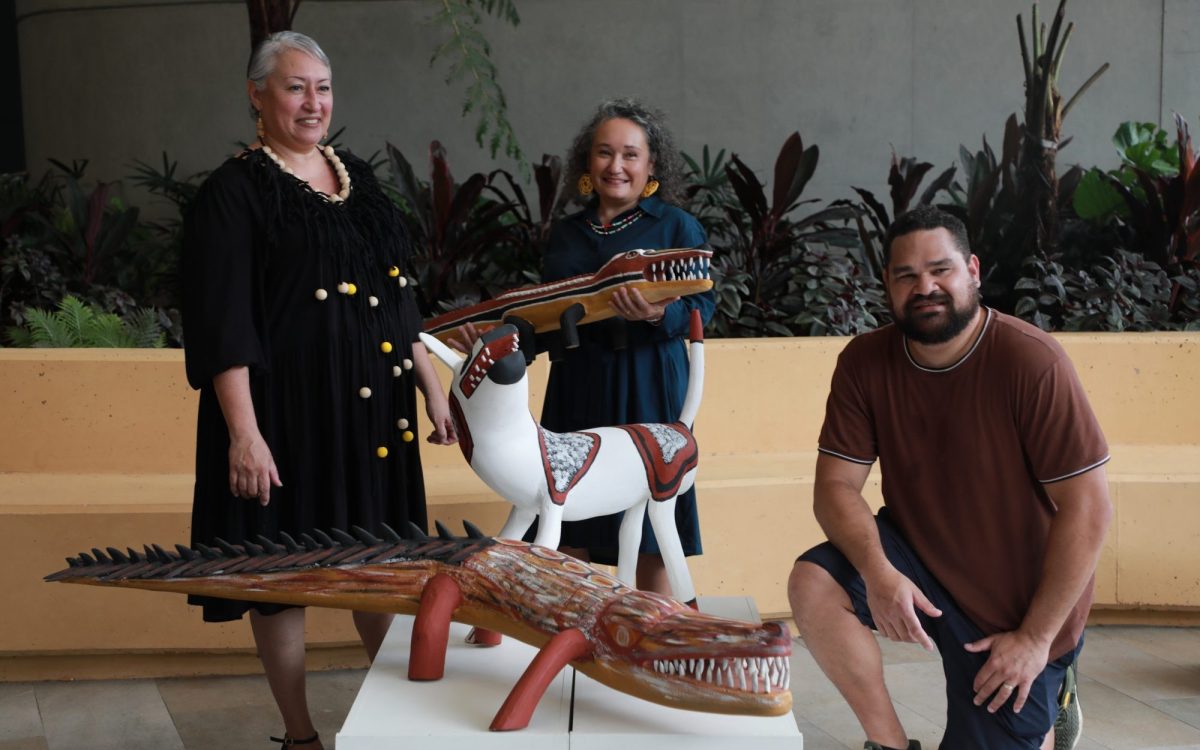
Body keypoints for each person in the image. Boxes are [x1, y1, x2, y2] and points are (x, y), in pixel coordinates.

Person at [182, 31, 455, 749]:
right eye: (295, 87)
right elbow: (224, 321)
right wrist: (244, 432)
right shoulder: (233, 193)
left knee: (383, 563)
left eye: (323, 88)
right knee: (284, 572)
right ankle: (300, 734)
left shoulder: (355, 176)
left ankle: (401, 720)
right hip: (283, 415)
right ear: (257, 95)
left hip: (374, 415)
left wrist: (429, 384)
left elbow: (397, 293)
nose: (313, 102)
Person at [786, 206, 1112, 750]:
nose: (925, 287)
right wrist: (878, 571)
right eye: (906, 275)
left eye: (941, 270)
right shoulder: (865, 362)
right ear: (887, 284)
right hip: (917, 556)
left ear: (974, 271)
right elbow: (835, 486)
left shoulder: (1032, 363)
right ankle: (887, 744)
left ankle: (1055, 691)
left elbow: (1089, 508)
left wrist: (1034, 640)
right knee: (814, 583)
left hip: (1013, 604)